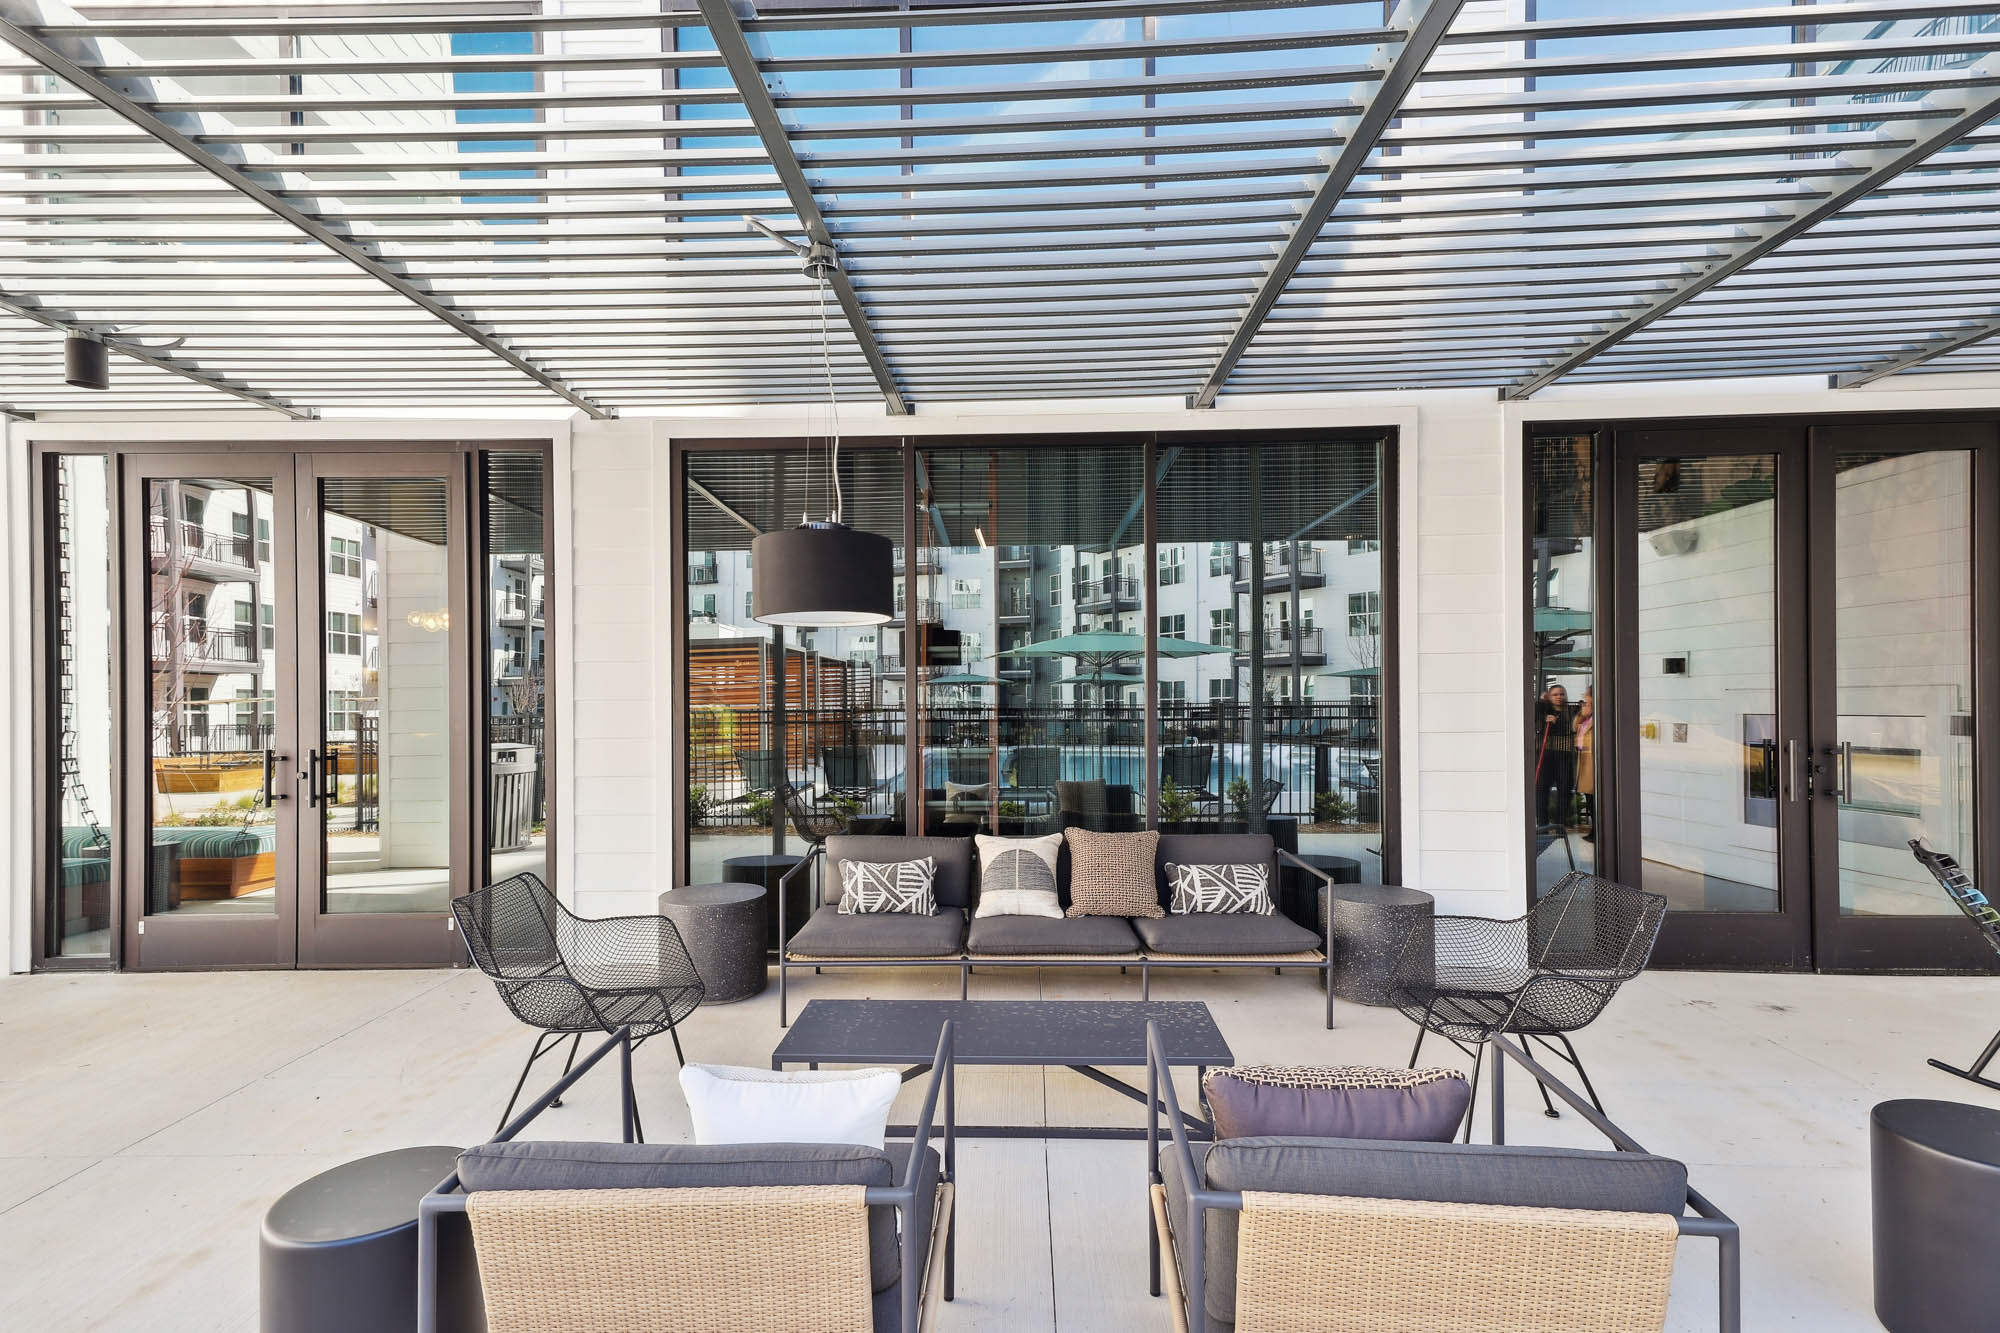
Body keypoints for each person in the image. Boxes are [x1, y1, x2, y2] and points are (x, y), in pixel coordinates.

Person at [1534, 683, 1577, 830]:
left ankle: (1560, 824)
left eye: (1562, 694)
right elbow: (1532, 712)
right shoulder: (1544, 709)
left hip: (1564, 755)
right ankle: (1542, 823)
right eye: (1555, 694)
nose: (1559, 697)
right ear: (1549, 697)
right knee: (1542, 788)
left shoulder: (1571, 710)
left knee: (1565, 789)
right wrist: (1542, 704)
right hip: (1545, 754)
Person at [1575, 686, 1595, 842]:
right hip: (1584, 760)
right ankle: (1594, 830)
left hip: (1592, 761)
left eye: (1586, 696)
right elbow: (1575, 727)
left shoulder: (1597, 718)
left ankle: (1597, 832)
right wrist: (1582, 714)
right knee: (1589, 799)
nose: (1584, 699)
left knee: (1594, 800)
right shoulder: (1586, 717)